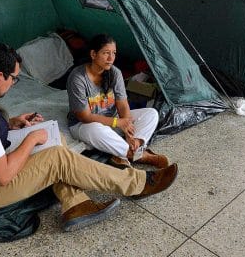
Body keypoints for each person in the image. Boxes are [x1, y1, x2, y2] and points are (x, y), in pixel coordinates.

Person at [0, 43, 178, 232]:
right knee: (55, 157)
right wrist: (31, 139)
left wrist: (11, 124)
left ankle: (75, 204)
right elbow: (3, 176)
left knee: (57, 140)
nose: (14, 83)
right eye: (14, 78)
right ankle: (138, 183)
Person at [67, 34, 169, 170]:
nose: (111, 58)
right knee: (95, 129)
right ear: (93, 54)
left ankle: (132, 147)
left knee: (151, 114)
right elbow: (85, 116)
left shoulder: (115, 73)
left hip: (112, 119)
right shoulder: (78, 78)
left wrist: (129, 133)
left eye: (113, 53)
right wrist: (118, 123)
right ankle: (139, 155)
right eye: (106, 53)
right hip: (84, 125)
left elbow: (122, 104)